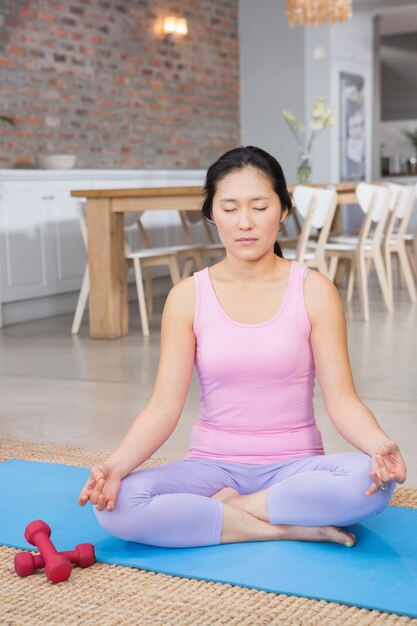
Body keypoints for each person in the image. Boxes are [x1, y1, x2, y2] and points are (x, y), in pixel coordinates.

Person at [78, 146, 406, 549]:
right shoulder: (187, 297)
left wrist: (378, 446)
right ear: (212, 214)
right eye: (230, 208)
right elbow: (164, 407)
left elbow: (342, 401)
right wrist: (114, 466)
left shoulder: (314, 291)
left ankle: (232, 511)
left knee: (370, 482)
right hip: (211, 467)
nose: (245, 223)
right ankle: (281, 527)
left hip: (294, 467)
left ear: (283, 209)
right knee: (116, 503)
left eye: (259, 206)